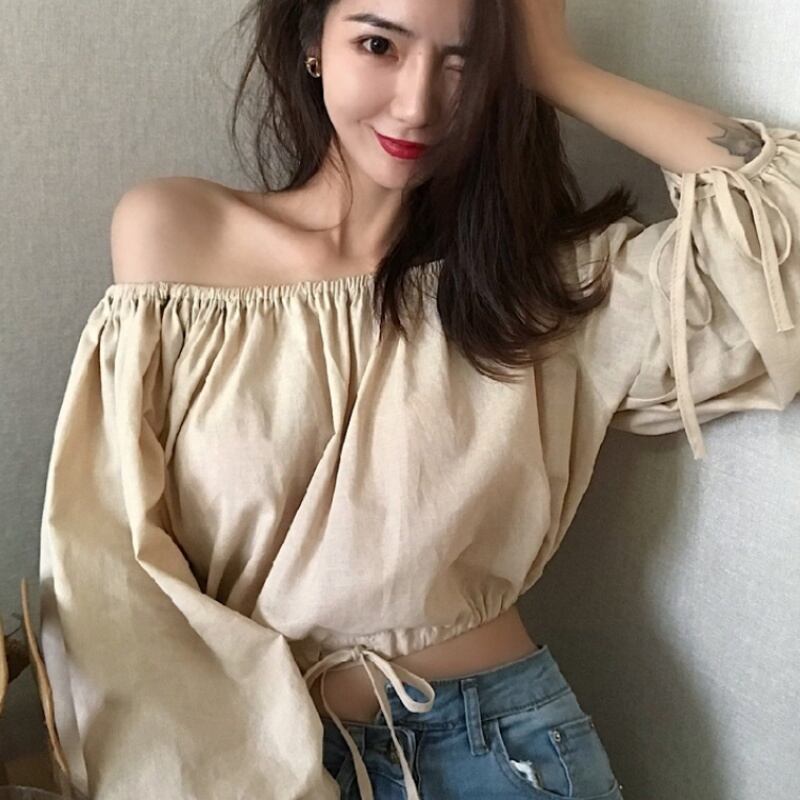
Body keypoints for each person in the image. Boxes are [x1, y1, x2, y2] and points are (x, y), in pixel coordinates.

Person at [27, 0, 800, 798]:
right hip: (249, 756)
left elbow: (786, 244)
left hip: (501, 755)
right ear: (313, 43)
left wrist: (559, 70)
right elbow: (111, 563)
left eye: (463, 62)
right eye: (378, 44)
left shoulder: (537, 290)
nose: (417, 104)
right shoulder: (177, 237)